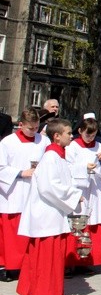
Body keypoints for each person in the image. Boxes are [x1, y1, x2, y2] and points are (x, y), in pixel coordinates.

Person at [17, 118, 83, 295]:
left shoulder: (58, 156)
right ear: (56, 136)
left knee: (53, 261)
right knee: (46, 261)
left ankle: (51, 294)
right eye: (68, 133)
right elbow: (49, 186)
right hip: (46, 219)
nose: (72, 136)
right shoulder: (50, 158)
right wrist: (74, 195)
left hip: (53, 216)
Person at [0, 108, 47, 282]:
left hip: (35, 193)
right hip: (14, 193)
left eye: (36, 128)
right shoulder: (8, 143)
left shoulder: (43, 140)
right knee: (13, 236)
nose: (34, 132)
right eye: (30, 128)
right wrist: (20, 173)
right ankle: (11, 267)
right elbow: (1, 168)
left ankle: (30, 265)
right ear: (20, 125)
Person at [64, 113, 101, 274]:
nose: (90, 138)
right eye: (87, 134)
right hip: (80, 191)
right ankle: (71, 262)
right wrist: (85, 168)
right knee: (78, 225)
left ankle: (87, 261)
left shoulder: (100, 147)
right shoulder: (72, 147)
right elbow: (67, 169)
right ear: (80, 131)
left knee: (92, 225)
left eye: (93, 135)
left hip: (95, 190)